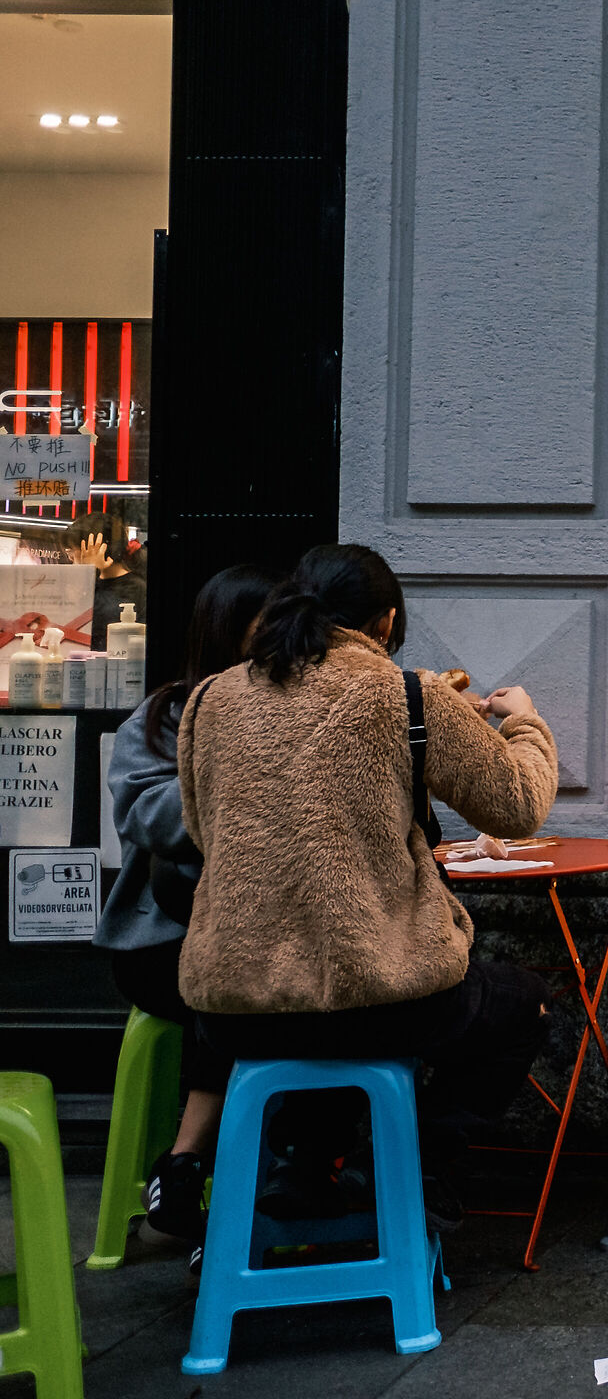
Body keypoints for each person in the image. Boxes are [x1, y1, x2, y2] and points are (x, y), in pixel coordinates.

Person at [176, 544, 559, 1229]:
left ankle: (303, 1167)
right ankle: (417, 1169)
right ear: (385, 622)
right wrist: (524, 720)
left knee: (325, 1010)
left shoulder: (210, 699)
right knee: (521, 1004)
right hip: (380, 1003)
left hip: (233, 1013)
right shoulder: (406, 693)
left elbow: (207, 837)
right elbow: (518, 804)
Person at [92, 563, 277, 1257]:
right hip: (160, 941)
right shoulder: (164, 716)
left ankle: (202, 1182)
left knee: (280, 986)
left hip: (257, 936)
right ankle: (219, 1196)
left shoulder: (295, 712)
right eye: (266, 623)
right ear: (229, 630)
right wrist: (238, 780)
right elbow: (146, 814)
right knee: (244, 985)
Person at [67, 506, 147, 625]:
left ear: (98, 548)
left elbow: (92, 621)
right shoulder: (94, 581)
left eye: (72, 550)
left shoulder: (134, 588)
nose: (70, 556)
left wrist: (89, 573)